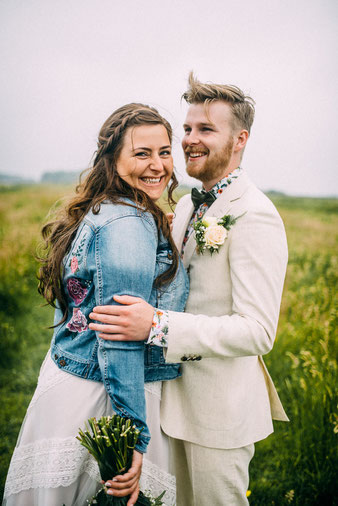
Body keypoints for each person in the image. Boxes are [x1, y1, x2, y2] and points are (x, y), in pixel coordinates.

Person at [89, 73, 289, 505]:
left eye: (206, 129)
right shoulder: (184, 204)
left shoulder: (255, 215)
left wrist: (156, 325)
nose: (190, 140)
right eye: (188, 128)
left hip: (218, 415)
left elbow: (258, 331)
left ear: (240, 139)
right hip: (166, 403)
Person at [3, 103, 189, 506]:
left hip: (72, 375)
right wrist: (134, 435)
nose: (158, 165)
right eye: (142, 153)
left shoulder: (111, 208)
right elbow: (119, 339)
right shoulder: (127, 226)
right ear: (113, 159)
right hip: (100, 393)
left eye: (164, 151)